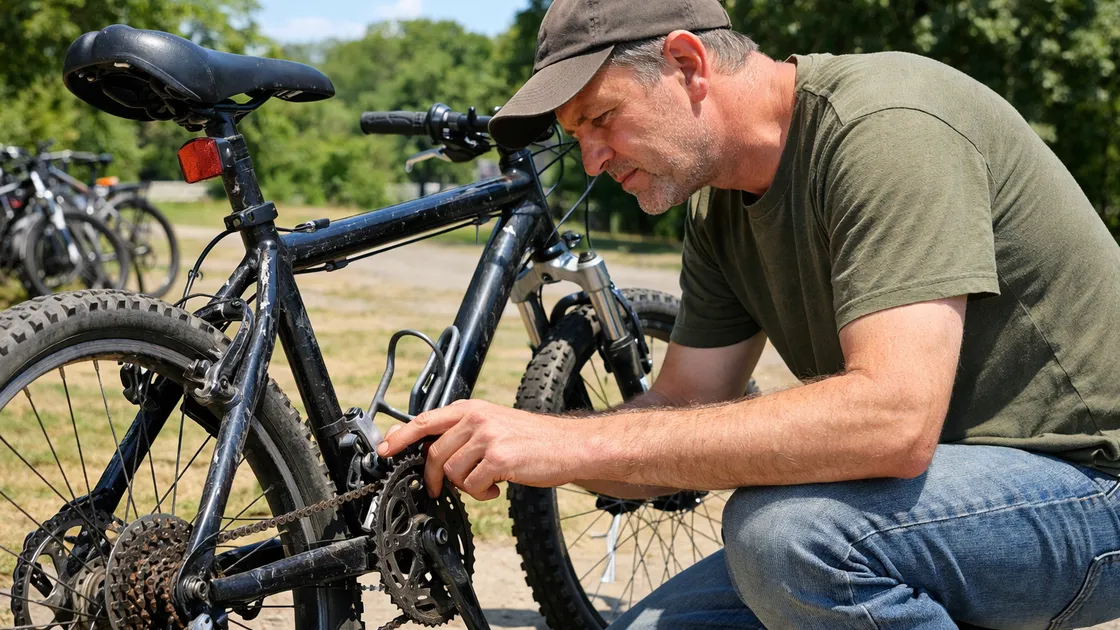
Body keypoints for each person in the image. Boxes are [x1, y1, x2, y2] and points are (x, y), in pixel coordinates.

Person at [376, 0, 1120, 627]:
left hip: (1089, 483)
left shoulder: (886, 126)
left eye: (601, 118)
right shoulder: (719, 208)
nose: (594, 159)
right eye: (579, 138)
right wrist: (523, 446)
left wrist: (563, 448)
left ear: (688, 63)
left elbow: (891, 420)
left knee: (790, 536)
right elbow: (685, 404)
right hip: (934, 503)